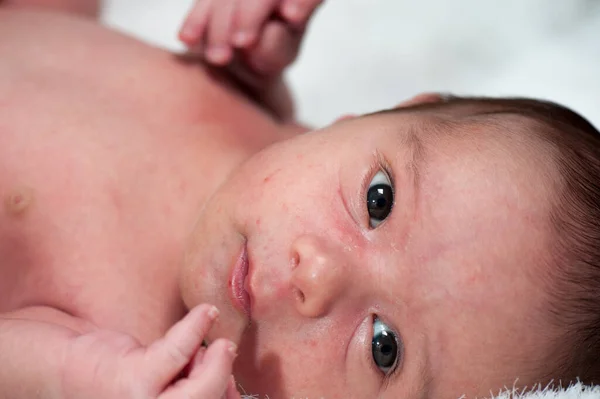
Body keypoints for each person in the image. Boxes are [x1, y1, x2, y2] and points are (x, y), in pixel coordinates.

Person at [0, 0, 599, 398]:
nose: (319, 272)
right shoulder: (261, 111)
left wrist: (72, 376)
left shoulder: (139, 355)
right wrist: (248, 41)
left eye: (382, 347)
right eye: (379, 201)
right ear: (379, 114)